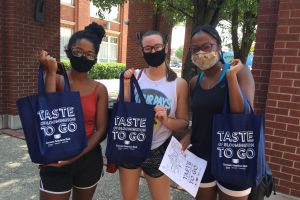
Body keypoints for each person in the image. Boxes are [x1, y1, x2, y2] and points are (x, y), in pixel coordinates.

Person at [180, 25, 255, 200]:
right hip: (201, 156)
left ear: (219, 48)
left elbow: (243, 113)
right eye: (195, 49)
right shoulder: (193, 82)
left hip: (233, 155)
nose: (201, 53)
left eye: (207, 47)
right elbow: (200, 119)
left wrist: (230, 77)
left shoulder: (241, 73)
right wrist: (189, 135)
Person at [38, 22, 108, 200]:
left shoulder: (99, 89)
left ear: (95, 58)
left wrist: (76, 156)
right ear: (68, 50)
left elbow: (100, 130)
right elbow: (47, 111)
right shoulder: (57, 79)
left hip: (88, 157)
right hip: (56, 154)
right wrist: (51, 73)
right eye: (77, 51)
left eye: (89, 54)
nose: (83, 57)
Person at [120, 31, 189, 200]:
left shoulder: (179, 84)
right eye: (148, 48)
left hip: (158, 149)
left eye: (157, 47)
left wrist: (166, 120)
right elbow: (124, 112)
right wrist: (126, 85)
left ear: (165, 48)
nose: (153, 52)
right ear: (142, 51)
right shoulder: (135, 76)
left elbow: (183, 124)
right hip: (131, 147)